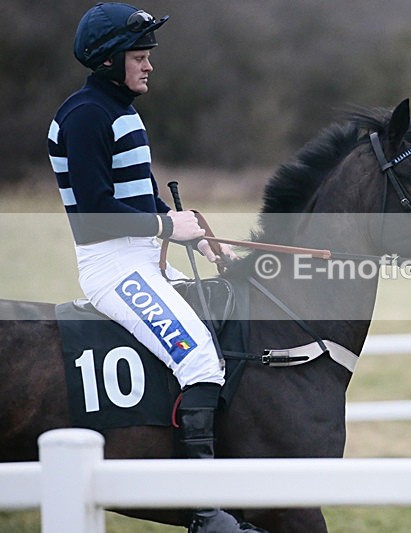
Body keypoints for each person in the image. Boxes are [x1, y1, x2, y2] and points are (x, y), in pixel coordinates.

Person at [48, 4, 260, 532]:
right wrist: (168, 228)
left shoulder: (119, 109)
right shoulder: (85, 116)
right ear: (108, 61)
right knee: (201, 364)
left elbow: (138, 200)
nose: (148, 66)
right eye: (139, 57)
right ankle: (204, 510)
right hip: (112, 269)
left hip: (141, 260)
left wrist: (199, 237)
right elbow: (97, 215)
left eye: (148, 57)